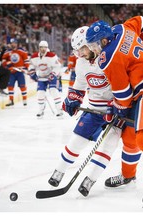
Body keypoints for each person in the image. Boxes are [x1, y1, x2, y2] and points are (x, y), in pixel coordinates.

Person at [86, 16, 143, 207]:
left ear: (104, 40)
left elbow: (124, 94)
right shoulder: (121, 28)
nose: (94, 50)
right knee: (129, 134)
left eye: (95, 45)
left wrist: (117, 109)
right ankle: (128, 176)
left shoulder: (108, 57)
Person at [48, 26, 124, 197]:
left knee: (109, 145)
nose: (79, 54)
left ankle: (90, 180)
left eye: (81, 49)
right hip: (95, 108)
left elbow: (123, 85)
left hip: (116, 110)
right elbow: (80, 84)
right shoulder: (81, 62)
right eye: (77, 51)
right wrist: (73, 99)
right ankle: (59, 171)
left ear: (90, 44)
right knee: (77, 139)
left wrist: (117, 105)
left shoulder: (109, 57)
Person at [28, 40, 63, 117]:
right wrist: (32, 73)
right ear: (39, 48)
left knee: (53, 91)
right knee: (40, 93)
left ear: (47, 48)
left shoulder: (52, 56)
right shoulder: (34, 57)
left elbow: (57, 67)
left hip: (51, 77)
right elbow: (31, 67)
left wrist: (53, 74)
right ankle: (41, 110)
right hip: (41, 78)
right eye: (41, 47)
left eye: (45, 47)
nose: (43, 49)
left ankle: (59, 109)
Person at [1, 38, 29, 106]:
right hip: (11, 72)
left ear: (17, 43)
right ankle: (11, 100)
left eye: (14, 43)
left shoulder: (22, 51)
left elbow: (26, 61)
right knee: (10, 86)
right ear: (10, 44)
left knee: (22, 86)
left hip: (19, 71)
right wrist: (8, 65)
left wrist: (25, 68)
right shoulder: (7, 52)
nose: (13, 44)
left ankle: (24, 99)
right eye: (12, 43)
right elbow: (3, 61)